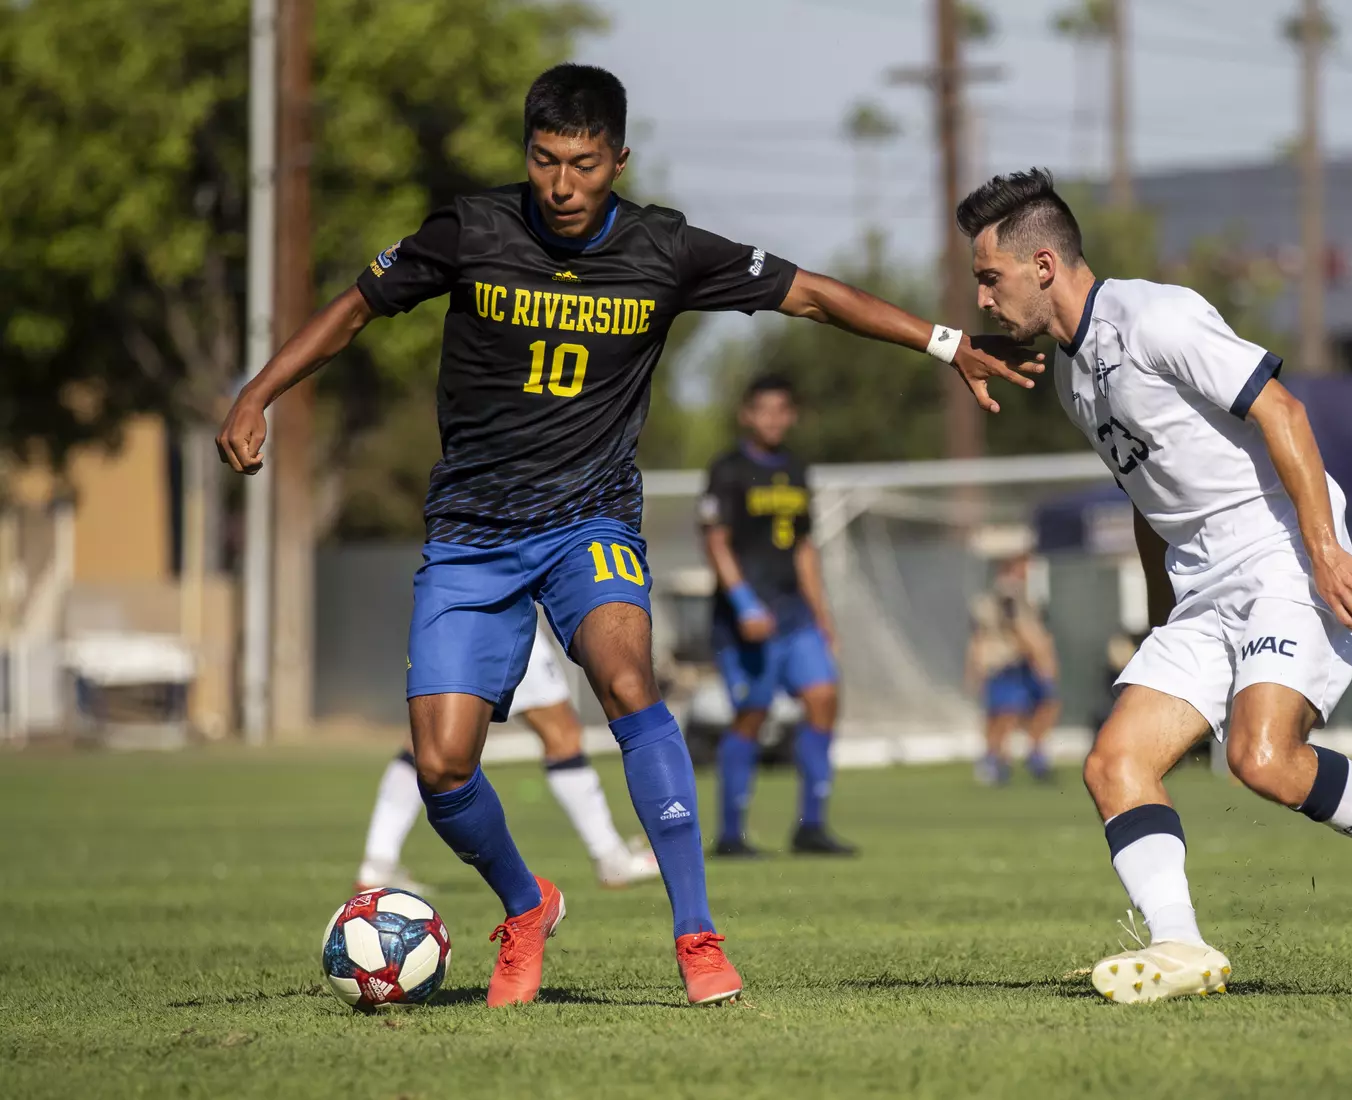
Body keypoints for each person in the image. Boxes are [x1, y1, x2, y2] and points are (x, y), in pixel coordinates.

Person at [216, 64, 1039, 1008]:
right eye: (545, 160)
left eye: (584, 164)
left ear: (618, 160)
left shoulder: (665, 248)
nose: (562, 184)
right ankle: (527, 905)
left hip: (590, 520)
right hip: (473, 532)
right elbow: (357, 308)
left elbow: (811, 294)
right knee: (442, 766)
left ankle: (697, 934)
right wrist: (256, 393)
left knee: (628, 679)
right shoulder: (471, 231)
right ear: (527, 153)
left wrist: (947, 343)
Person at [954, 168, 1352, 1003]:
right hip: (1200, 586)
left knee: (1262, 760)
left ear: (1045, 265)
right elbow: (1147, 501)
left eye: (991, 277)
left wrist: (1323, 549)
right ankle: (1180, 946)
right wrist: (1159, 620)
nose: (983, 298)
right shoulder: (1070, 377)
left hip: (1281, 554)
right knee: (1114, 763)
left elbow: (1284, 412)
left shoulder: (1155, 317)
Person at [355, 612, 659, 895]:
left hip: (445, 612)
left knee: (427, 739)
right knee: (562, 734)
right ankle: (610, 857)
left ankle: (378, 862)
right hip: (500, 613)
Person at [700, 375, 855, 858]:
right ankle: (731, 836)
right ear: (747, 414)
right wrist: (744, 602)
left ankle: (811, 826)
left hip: (794, 614)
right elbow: (715, 541)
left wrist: (822, 614)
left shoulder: (796, 469)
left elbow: (804, 547)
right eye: (763, 409)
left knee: (824, 698)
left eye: (781, 410)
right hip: (744, 620)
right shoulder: (727, 469)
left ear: (792, 416)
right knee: (753, 713)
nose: (773, 419)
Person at [964, 552, 1061, 785]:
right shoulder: (1007, 594)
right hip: (1007, 663)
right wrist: (1040, 657)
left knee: (1044, 706)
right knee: (1005, 714)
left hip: (1020, 662)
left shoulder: (1023, 595)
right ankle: (995, 760)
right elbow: (1017, 629)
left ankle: (1030, 755)